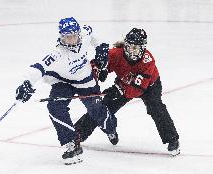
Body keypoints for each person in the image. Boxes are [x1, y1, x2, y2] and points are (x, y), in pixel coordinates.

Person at [15, 17, 117, 165]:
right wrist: (26, 82)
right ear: (62, 37)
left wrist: (101, 47)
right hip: (63, 82)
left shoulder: (84, 33)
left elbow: (94, 34)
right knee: (55, 107)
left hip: (85, 80)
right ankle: (71, 142)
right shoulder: (57, 54)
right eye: (68, 37)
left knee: (96, 110)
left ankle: (110, 128)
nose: (72, 39)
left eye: (74, 35)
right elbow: (38, 67)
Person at [76, 28, 180, 156]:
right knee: (102, 107)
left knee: (156, 107)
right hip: (124, 83)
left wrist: (119, 90)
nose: (132, 51)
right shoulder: (116, 54)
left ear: (142, 48)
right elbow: (96, 63)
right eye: (129, 47)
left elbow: (138, 89)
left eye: (136, 48)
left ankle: (172, 139)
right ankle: (77, 133)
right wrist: (99, 69)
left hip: (150, 86)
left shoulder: (148, 61)